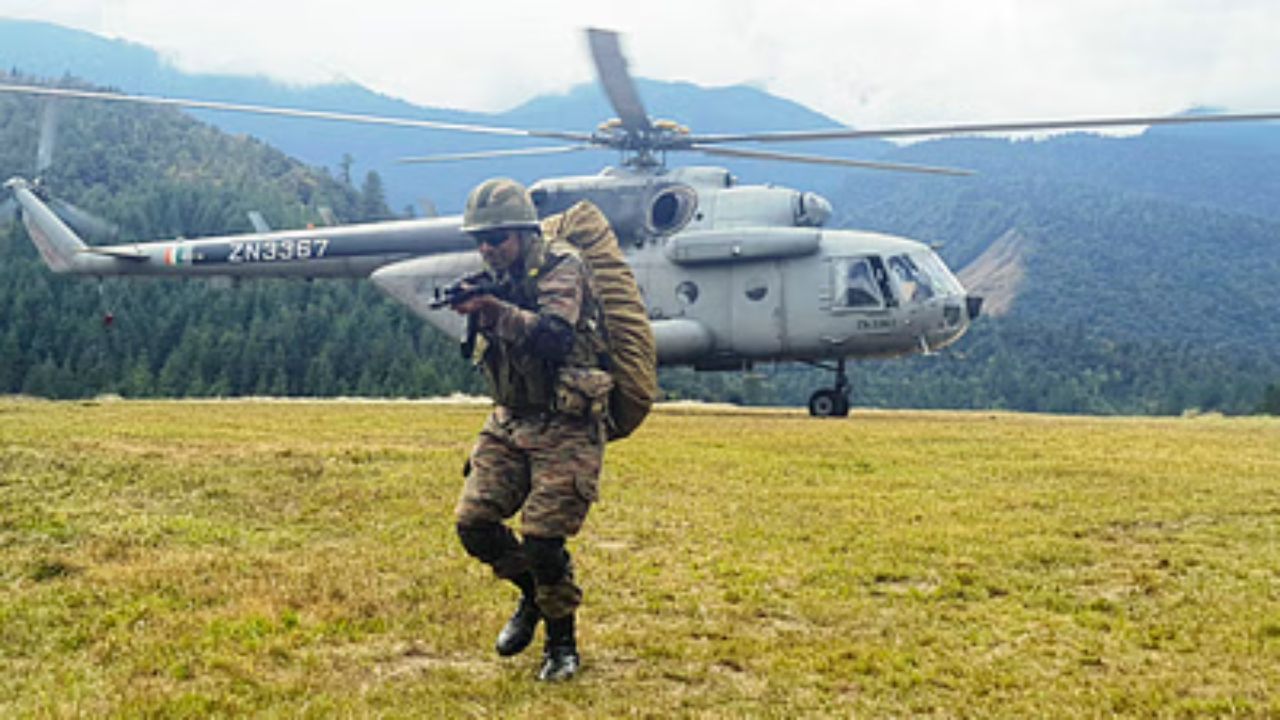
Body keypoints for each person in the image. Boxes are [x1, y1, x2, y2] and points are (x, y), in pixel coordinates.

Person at [450, 178, 612, 682]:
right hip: (510, 418)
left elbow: (556, 339)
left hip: (566, 421)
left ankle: (562, 645)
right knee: (474, 524)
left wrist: (495, 313)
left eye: (496, 239)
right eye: (479, 240)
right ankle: (531, 596)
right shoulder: (496, 276)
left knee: (543, 540)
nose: (486, 248)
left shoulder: (562, 266)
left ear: (522, 232)